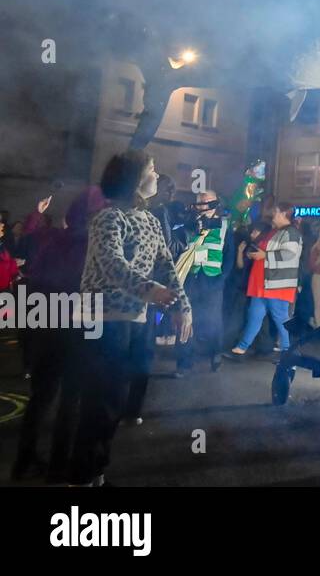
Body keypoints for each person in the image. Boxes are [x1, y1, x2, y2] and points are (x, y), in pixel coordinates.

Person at [70, 152, 191, 487]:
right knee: (99, 399)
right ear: (134, 178)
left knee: (117, 399)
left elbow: (167, 264)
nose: (157, 175)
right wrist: (149, 289)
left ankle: (96, 467)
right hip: (102, 318)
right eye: (151, 170)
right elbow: (111, 263)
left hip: (134, 318)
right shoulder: (108, 218)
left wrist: (183, 306)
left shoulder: (150, 220)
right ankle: (82, 474)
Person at [11, 187, 105, 483]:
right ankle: (58, 467)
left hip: (43, 325)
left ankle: (24, 461)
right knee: (71, 400)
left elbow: (22, 246)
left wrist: (36, 215)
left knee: (41, 397)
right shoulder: (95, 244)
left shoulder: (51, 238)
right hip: (75, 328)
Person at [228, 201, 302, 358]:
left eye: (275, 212)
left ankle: (288, 351)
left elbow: (290, 254)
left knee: (280, 319)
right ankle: (242, 347)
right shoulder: (276, 231)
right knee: (255, 315)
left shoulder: (290, 232)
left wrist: (264, 255)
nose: (272, 215)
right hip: (263, 283)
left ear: (283, 214)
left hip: (276, 284)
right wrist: (255, 253)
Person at [175, 190, 228, 374]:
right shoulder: (189, 223)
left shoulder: (224, 225)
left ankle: (216, 354)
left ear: (215, 203)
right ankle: (184, 362)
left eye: (208, 202)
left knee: (213, 320)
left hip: (212, 279)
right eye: (201, 202)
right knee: (186, 319)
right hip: (191, 278)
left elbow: (228, 255)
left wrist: (222, 279)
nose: (204, 205)